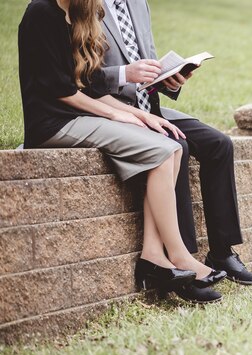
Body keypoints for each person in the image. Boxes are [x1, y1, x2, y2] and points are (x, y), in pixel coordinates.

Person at [18, 0, 226, 303]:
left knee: (171, 148)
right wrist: (116, 114)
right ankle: (179, 256)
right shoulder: (41, 12)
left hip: (81, 115)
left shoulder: (81, 14)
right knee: (163, 151)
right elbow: (59, 89)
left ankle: (154, 256)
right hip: (53, 123)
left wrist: (142, 115)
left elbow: (90, 85)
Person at [98, 0, 252, 301]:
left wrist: (170, 79)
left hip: (150, 106)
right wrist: (125, 73)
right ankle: (184, 263)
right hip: (113, 111)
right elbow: (81, 78)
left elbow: (148, 71)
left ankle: (221, 253)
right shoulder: (84, 6)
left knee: (219, 144)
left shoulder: (138, 4)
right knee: (177, 146)